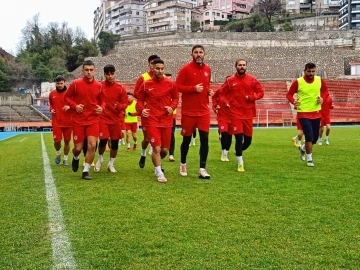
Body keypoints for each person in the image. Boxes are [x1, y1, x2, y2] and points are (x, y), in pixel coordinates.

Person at [217, 59, 264, 172]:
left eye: (243, 65)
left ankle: (238, 151)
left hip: (248, 114)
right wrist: (226, 102)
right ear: (236, 66)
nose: (242, 67)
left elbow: (261, 92)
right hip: (235, 114)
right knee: (239, 138)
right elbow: (221, 94)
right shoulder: (230, 80)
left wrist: (252, 97)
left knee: (247, 141)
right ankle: (240, 164)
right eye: (240, 65)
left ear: (246, 67)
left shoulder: (252, 79)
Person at [136, 58, 179, 183]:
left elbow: (176, 98)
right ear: (152, 68)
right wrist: (141, 109)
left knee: (165, 150)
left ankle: (157, 162)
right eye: (157, 68)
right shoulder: (146, 84)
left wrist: (172, 107)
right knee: (156, 148)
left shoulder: (170, 83)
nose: (160, 71)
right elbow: (139, 100)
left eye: (162, 69)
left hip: (166, 120)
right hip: (152, 119)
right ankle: (159, 172)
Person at [176, 45, 213, 179]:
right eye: (196, 52)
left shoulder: (208, 69)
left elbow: (206, 85)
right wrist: (193, 88)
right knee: (186, 140)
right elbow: (177, 86)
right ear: (191, 54)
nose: (198, 54)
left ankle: (202, 168)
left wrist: (208, 91)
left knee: (205, 140)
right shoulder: (185, 69)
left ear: (204, 54)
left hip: (204, 112)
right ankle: (183, 164)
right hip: (189, 112)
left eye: (201, 52)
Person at [64, 60, 105, 180]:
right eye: (86, 70)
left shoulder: (99, 85)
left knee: (92, 145)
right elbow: (66, 97)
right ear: (82, 71)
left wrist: (101, 108)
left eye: (91, 70)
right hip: (78, 120)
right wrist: (75, 106)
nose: (89, 72)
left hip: (93, 119)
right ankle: (76, 157)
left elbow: (103, 101)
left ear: (94, 70)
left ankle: (86, 170)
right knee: (78, 148)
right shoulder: (75, 84)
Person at [286, 62, 329, 167]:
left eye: (313, 71)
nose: (311, 73)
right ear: (304, 71)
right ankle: (310, 159)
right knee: (309, 136)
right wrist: (293, 101)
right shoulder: (298, 82)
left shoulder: (319, 80)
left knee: (314, 138)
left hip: (316, 112)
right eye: (309, 71)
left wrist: (322, 98)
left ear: (315, 71)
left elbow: (325, 91)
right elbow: (289, 94)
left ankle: (303, 148)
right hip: (303, 113)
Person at [94, 64, 128, 173]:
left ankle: (111, 164)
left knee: (114, 144)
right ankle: (100, 159)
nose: (110, 76)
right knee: (102, 141)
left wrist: (119, 106)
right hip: (103, 118)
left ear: (114, 74)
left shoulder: (120, 88)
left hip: (115, 120)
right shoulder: (99, 86)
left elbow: (125, 103)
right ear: (104, 75)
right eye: (107, 74)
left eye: (112, 74)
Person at [134, 54, 160, 168]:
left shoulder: (163, 77)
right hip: (147, 112)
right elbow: (136, 93)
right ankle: (143, 153)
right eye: (152, 63)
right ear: (149, 64)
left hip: (159, 113)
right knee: (147, 139)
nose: (154, 65)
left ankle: (158, 166)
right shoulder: (143, 78)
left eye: (156, 63)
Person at [49, 75, 72, 166]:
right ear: (56, 83)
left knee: (67, 141)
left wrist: (70, 106)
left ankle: (65, 159)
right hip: (56, 121)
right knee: (57, 141)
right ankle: (58, 153)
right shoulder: (52, 94)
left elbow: (75, 104)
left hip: (68, 122)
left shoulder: (70, 93)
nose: (59, 85)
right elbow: (51, 104)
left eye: (61, 83)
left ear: (64, 82)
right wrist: (51, 109)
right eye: (58, 83)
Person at [212, 84, 232, 162]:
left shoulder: (235, 92)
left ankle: (226, 153)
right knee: (225, 134)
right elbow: (213, 97)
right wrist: (215, 106)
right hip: (222, 117)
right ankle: (223, 152)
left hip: (232, 117)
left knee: (230, 136)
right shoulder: (220, 90)